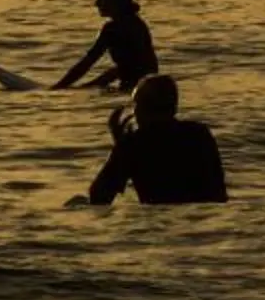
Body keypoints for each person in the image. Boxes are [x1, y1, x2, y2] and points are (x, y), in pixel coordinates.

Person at [85, 73, 227, 205]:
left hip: (158, 223)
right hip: (203, 219)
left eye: (135, 105)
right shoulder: (199, 134)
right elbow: (218, 191)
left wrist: (120, 147)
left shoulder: (133, 144)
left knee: (77, 202)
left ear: (142, 109)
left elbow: (99, 197)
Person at [51, 0, 157, 91]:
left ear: (114, 0)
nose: (96, 3)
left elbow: (87, 63)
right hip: (148, 88)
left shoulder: (113, 28)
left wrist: (58, 88)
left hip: (133, 91)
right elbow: (129, 67)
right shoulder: (138, 23)